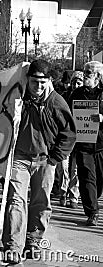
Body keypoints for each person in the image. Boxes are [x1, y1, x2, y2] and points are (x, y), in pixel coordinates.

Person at [2, 59, 76, 264]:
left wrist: (55, 158)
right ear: (28, 80)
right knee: (16, 201)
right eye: (35, 82)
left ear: (49, 81)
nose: (38, 86)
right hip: (19, 159)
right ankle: (13, 247)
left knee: (41, 202)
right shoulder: (17, 98)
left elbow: (69, 133)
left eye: (43, 82)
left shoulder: (56, 102)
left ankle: (33, 239)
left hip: (45, 160)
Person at [68, 61, 103, 227]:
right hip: (83, 144)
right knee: (87, 178)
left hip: (101, 145)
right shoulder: (76, 94)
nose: (85, 75)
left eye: (88, 73)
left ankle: (94, 200)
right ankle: (92, 212)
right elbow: (67, 115)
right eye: (85, 71)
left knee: (99, 180)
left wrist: (102, 118)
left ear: (97, 76)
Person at [56, 71, 83, 209]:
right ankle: (62, 192)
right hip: (65, 138)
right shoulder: (64, 97)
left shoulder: (86, 98)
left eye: (79, 82)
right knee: (63, 167)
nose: (76, 85)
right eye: (74, 82)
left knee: (75, 169)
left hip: (80, 139)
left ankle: (73, 195)